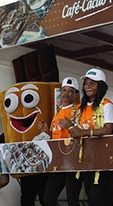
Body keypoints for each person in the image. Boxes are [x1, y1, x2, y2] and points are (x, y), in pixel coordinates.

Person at [65, 68, 113, 206]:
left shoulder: (107, 105)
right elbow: (78, 130)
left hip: (103, 158)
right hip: (86, 158)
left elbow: (108, 129)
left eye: (92, 83)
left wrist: (83, 133)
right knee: (89, 195)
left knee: (98, 196)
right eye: (86, 83)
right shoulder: (81, 108)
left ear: (101, 86)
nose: (88, 86)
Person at [37, 77, 80, 206]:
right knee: (48, 198)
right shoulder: (59, 111)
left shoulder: (79, 109)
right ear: (60, 92)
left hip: (73, 159)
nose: (66, 93)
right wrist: (47, 131)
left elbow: (81, 132)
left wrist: (71, 125)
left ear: (76, 94)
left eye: (71, 91)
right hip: (57, 160)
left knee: (72, 199)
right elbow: (56, 136)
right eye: (64, 90)